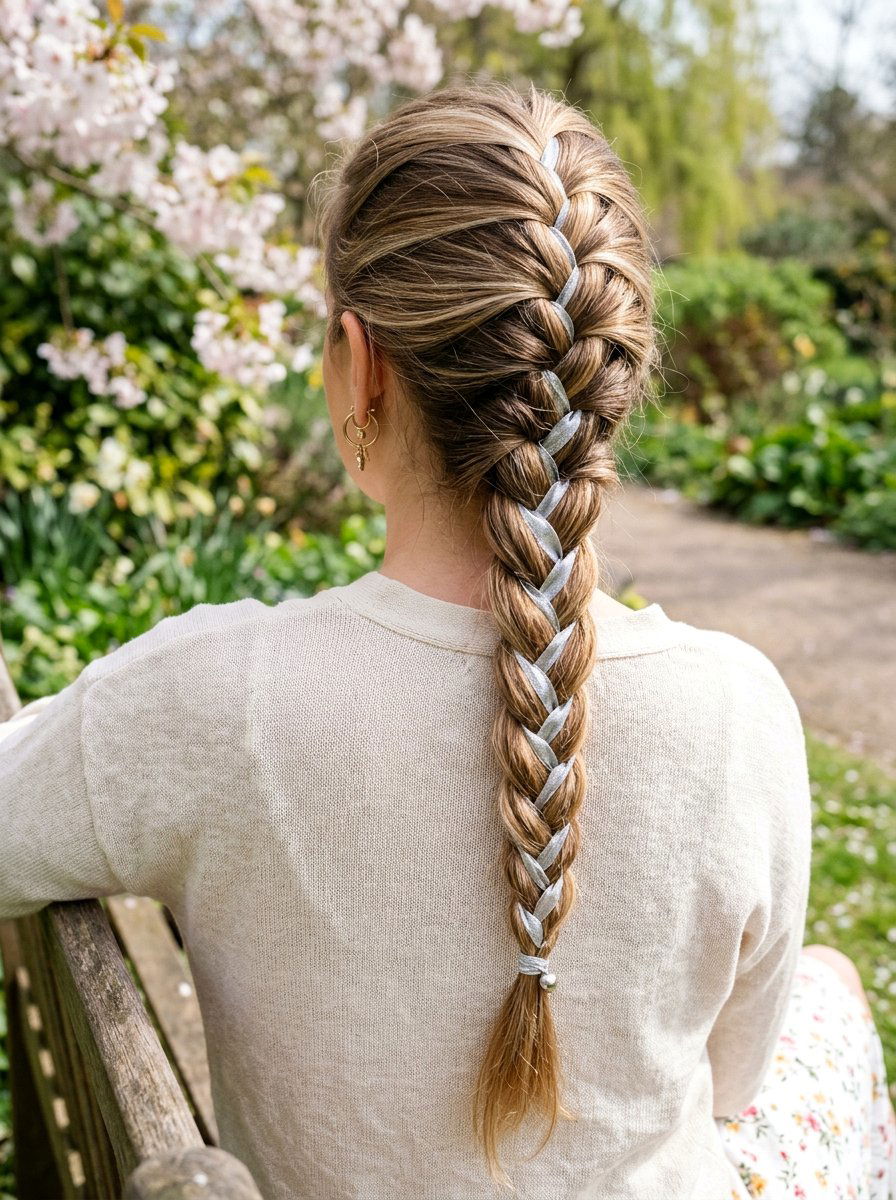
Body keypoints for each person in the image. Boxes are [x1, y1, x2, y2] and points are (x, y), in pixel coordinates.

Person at [1, 80, 893, 1200]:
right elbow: (733, 1081)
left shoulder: (209, 700)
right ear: (606, 378)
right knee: (830, 991)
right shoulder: (738, 710)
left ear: (358, 363)